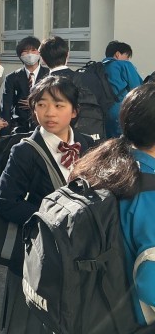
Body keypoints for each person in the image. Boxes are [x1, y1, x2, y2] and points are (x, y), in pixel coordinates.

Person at [0, 75, 94, 333]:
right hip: (37, 253)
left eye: (59, 105)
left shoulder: (89, 144)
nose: (49, 113)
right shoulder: (25, 150)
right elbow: (5, 201)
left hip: (78, 254)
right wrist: (52, 221)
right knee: (28, 322)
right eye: (41, 105)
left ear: (74, 111)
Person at [69, 83, 155, 328]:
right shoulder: (150, 191)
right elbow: (151, 283)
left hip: (95, 305)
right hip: (133, 319)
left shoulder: (106, 164)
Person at [0, 36, 49, 134]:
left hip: (44, 126)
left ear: (40, 52)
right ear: (20, 55)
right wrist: (5, 132)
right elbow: (6, 106)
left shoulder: (49, 75)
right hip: (19, 127)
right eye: (25, 51)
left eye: (33, 50)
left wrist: (34, 103)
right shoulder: (12, 78)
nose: (30, 54)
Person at [102, 40, 143, 138]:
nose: (128, 60)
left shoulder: (99, 67)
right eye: (127, 56)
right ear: (117, 54)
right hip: (119, 111)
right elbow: (138, 89)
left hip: (102, 111)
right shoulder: (124, 65)